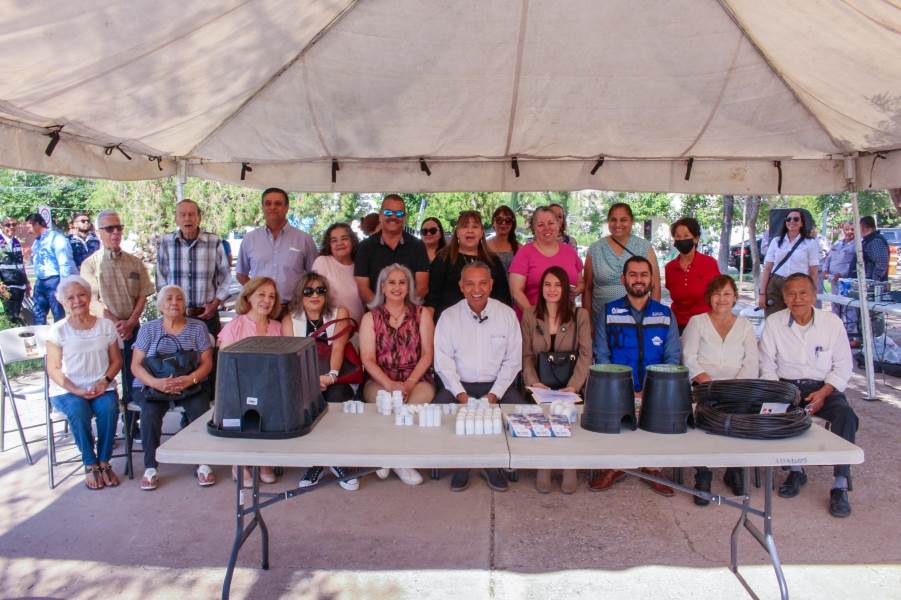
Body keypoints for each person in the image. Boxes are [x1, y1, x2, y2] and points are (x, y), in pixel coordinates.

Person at [759, 273, 858, 518]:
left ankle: (840, 483)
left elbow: (843, 366)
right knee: (772, 415)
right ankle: (795, 470)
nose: (797, 299)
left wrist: (823, 393)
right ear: (784, 298)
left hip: (824, 387)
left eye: (803, 293)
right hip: (785, 387)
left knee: (846, 415)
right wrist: (783, 393)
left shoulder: (831, 323)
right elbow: (766, 365)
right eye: (791, 294)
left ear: (814, 296)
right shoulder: (774, 323)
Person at [590, 256, 680, 496]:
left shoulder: (665, 314)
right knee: (614, 420)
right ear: (623, 279)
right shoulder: (609, 312)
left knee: (659, 417)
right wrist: (624, 389)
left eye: (643, 274)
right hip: (618, 389)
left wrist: (651, 390)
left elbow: (672, 358)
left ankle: (653, 468)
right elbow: (602, 356)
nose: (638, 279)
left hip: (655, 390)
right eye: (633, 274)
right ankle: (615, 467)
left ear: (651, 279)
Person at [434, 261, 523, 492]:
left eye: (483, 283)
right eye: (470, 284)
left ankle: (494, 464)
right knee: (436, 416)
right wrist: (461, 395)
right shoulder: (448, 317)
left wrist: (493, 395)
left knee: (520, 414)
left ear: (491, 285)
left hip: (497, 386)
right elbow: (443, 363)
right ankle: (461, 464)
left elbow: (513, 361)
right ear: (461, 286)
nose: (477, 289)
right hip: (459, 386)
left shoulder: (507, 315)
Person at [681, 275, 759, 504]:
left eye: (727, 294)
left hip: (737, 388)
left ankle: (734, 470)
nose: (722, 299)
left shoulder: (745, 325)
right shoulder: (697, 322)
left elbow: (752, 362)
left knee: (741, 417)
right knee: (702, 418)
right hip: (704, 386)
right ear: (709, 297)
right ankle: (703, 474)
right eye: (717, 294)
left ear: (735, 297)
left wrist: (734, 387)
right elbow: (688, 356)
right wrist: (705, 380)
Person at [130, 285, 215, 490]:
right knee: (150, 413)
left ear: (185, 304)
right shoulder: (148, 329)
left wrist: (190, 379)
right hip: (152, 384)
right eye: (169, 299)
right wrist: (156, 383)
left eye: (179, 299)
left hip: (189, 383)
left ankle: (203, 463)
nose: (174, 303)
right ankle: (150, 467)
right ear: (160, 305)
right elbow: (135, 365)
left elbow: (207, 362)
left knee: (200, 410)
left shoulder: (197, 327)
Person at [359, 264, 436, 486]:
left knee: (407, 408)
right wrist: (390, 384)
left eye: (402, 282)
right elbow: (368, 359)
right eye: (391, 282)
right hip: (380, 379)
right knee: (388, 404)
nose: (397, 287)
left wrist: (409, 383)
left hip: (417, 378)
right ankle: (398, 461)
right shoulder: (370, 318)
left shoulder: (422, 314)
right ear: (382, 287)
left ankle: (389, 458)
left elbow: (428, 354)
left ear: (409, 287)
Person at [45, 275, 122, 490]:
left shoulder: (106, 325)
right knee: (78, 410)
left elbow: (117, 361)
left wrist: (104, 381)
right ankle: (90, 464)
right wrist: (76, 389)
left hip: (101, 385)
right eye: (70, 298)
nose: (77, 301)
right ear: (62, 301)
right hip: (67, 390)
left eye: (82, 295)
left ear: (90, 297)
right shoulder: (58, 330)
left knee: (109, 408)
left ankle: (104, 461)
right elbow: (53, 369)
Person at [521, 266, 591, 494]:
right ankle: (545, 465)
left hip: (569, 383)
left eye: (558, 285)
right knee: (542, 414)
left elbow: (585, 354)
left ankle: (569, 465)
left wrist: (574, 386)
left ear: (566, 289)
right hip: (539, 383)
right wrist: (534, 383)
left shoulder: (580, 315)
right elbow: (526, 355)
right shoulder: (530, 315)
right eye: (547, 284)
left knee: (567, 414)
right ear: (541, 288)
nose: (552, 289)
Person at [80, 210, 154, 406]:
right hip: (104, 330)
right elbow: (91, 300)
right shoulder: (90, 265)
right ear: (98, 232)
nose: (115, 233)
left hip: (133, 329)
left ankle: (132, 420)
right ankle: (110, 416)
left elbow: (143, 294)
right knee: (105, 378)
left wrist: (130, 323)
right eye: (109, 229)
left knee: (134, 379)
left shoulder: (135, 262)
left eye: (119, 228)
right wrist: (117, 324)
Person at [218, 277, 284, 486]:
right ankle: (239, 463)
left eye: (271, 296)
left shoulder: (277, 327)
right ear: (248, 297)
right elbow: (226, 365)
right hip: (239, 385)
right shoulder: (235, 325)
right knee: (240, 407)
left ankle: (263, 461)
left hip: (269, 385)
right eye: (261, 295)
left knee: (276, 403)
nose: (267, 300)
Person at [156, 199, 231, 337]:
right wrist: (166, 308)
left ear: (199, 218)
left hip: (207, 316)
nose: (187, 218)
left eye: (191, 214)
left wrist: (215, 304)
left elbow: (226, 277)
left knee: (209, 351)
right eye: (182, 215)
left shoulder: (214, 242)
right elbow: (161, 280)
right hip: (175, 317)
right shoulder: (166, 243)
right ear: (176, 219)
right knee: (176, 352)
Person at [236, 187, 317, 310]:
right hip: (260, 309)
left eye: (278, 203)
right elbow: (241, 274)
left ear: (286, 208)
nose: (272, 207)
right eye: (268, 203)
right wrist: (256, 293)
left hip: (293, 309)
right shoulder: (249, 239)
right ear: (262, 207)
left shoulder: (304, 239)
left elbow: (314, 277)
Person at [282, 273, 356, 404]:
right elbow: (292, 358)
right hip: (304, 379)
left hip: (337, 375)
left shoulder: (340, 313)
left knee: (337, 394)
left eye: (320, 290)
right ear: (300, 295)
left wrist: (331, 376)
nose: (315, 295)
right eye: (308, 291)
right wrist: (311, 382)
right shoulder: (289, 321)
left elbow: (338, 348)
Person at [583, 203, 661, 327]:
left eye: (623, 220)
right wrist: (587, 323)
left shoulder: (644, 247)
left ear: (631, 221)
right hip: (602, 322)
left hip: (638, 322)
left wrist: (652, 318)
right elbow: (587, 288)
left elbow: (655, 285)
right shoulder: (595, 249)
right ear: (608, 221)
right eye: (613, 220)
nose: (618, 224)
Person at [427, 210, 511, 321]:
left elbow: (503, 298)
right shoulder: (444, 258)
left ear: (481, 232)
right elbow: (432, 298)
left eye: (475, 227)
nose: (470, 231)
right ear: (457, 232)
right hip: (450, 323)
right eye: (465, 226)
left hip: (488, 322)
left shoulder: (493, 261)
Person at [509, 206, 583, 318]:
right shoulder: (524, 253)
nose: (546, 228)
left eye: (551, 223)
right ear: (533, 228)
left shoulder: (570, 251)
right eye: (540, 225)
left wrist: (577, 290)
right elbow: (516, 291)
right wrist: (535, 318)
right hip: (533, 321)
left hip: (566, 320)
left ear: (558, 225)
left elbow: (581, 282)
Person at [355, 195, 430, 305]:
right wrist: (383, 312)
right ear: (380, 216)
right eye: (388, 213)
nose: (393, 217)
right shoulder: (364, 247)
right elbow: (363, 289)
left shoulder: (418, 246)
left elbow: (422, 287)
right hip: (376, 313)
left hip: (410, 312)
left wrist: (404, 312)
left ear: (404, 217)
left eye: (399, 214)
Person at [664, 217, 721, 332]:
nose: (682, 240)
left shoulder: (709, 263)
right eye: (678, 236)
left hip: (706, 327)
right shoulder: (670, 268)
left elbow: (719, 295)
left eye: (686, 236)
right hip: (678, 327)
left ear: (696, 238)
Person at [758, 209, 819, 316]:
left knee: (797, 318)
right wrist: (762, 294)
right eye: (788, 219)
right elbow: (767, 269)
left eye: (796, 219)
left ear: (802, 223)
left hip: (799, 285)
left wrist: (813, 294)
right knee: (773, 318)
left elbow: (813, 272)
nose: (792, 221)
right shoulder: (776, 241)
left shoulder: (810, 243)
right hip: (776, 285)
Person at [26, 213, 75, 324]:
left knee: (58, 315)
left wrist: (63, 286)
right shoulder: (36, 242)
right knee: (38, 314)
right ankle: (39, 334)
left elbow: (64, 263)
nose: (28, 231)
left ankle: (59, 335)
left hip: (54, 281)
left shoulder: (56, 238)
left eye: (29, 227)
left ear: (36, 224)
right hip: (40, 282)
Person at [311, 223, 364, 326]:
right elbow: (314, 299)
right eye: (334, 240)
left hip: (359, 328)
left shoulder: (360, 265)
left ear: (352, 241)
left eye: (344, 238)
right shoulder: (322, 262)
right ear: (329, 245)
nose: (339, 243)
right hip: (332, 330)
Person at [822, 222, 855, 318]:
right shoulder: (837, 243)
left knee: (847, 308)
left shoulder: (857, 245)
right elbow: (828, 258)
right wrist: (825, 270)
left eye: (852, 229)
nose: (849, 232)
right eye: (847, 229)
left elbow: (854, 263)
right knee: (835, 307)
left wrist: (842, 274)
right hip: (833, 280)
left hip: (846, 282)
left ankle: (847, 327)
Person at [0, 218, 30, 325]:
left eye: (14, 224)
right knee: (9, 317)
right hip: (6, 287)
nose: (11, 227)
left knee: (16, 315)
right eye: (8, 225)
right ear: (1, 226)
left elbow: (21, 264)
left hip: (20, 286)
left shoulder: (16, 242)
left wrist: (27, 283)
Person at [486, 205, 520, 272]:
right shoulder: (484, 246)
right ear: (493, 222)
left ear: (512, 224)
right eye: (499, 220)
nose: (503, 223)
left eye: (508, 220)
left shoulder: (519, 248)